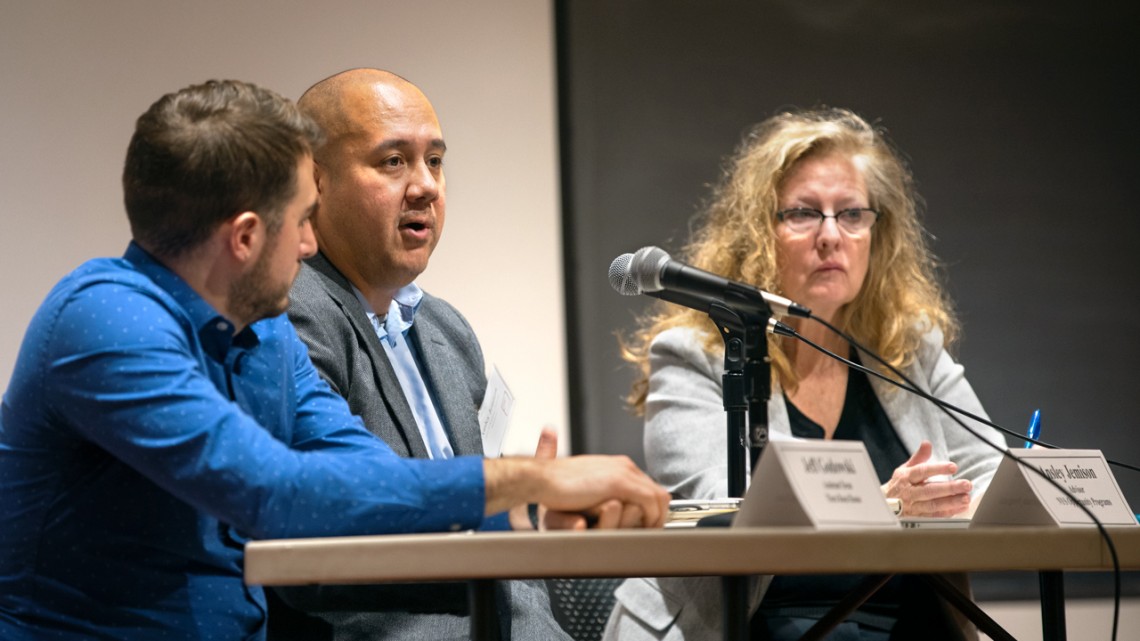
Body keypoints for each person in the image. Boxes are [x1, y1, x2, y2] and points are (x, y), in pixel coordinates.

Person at [0, 79, 669, 641]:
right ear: (244, 238)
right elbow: (277, 494)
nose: (311, 244)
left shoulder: (264, 334)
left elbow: (366, 475)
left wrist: (517, 518)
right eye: (303, 220)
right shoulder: (106, 323)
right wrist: (525, 479)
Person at [603, 108, 1005, 641]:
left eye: (852, 214)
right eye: (803, 213)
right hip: (751, 626)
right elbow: (724, 515)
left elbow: (994, 473)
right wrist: (890, 505)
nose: (831, 236)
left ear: (876, 235)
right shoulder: (693, 355)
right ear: (757, 233)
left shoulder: (910, 350)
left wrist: (989, 490)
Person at [265, 68, 570, 639]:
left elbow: (504, 546)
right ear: (315, 182)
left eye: (435, 160)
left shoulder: (447, 330)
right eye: (393, 162)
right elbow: (339, 565)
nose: (426, 186)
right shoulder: (292, 312)